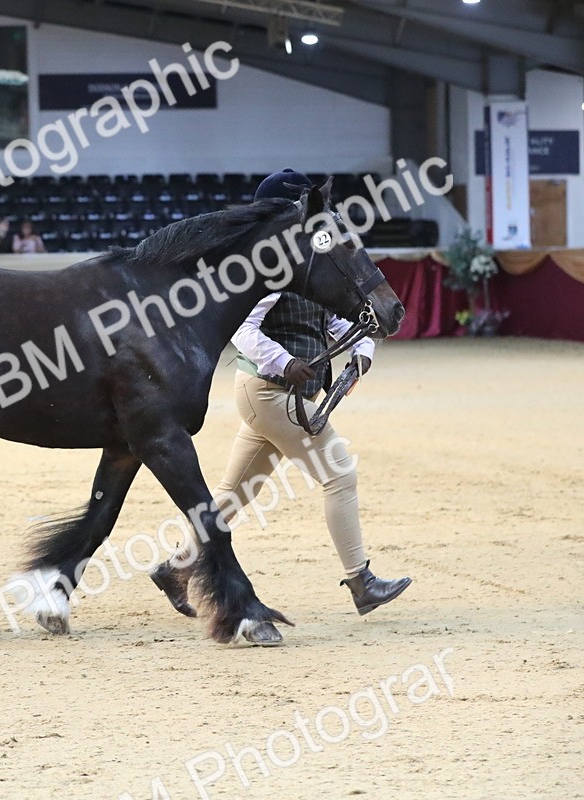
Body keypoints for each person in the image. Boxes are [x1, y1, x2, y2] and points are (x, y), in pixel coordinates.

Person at [150, 168, 412, 623]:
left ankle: (177, 570)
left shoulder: (308, 266)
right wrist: (285, 362)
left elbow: (330, 322)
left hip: (271, 396)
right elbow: (243, 330)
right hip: (270, 392)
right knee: (340, 475)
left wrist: (363, 349)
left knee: (235, 493)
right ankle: (361, 581)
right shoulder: (266, 271)